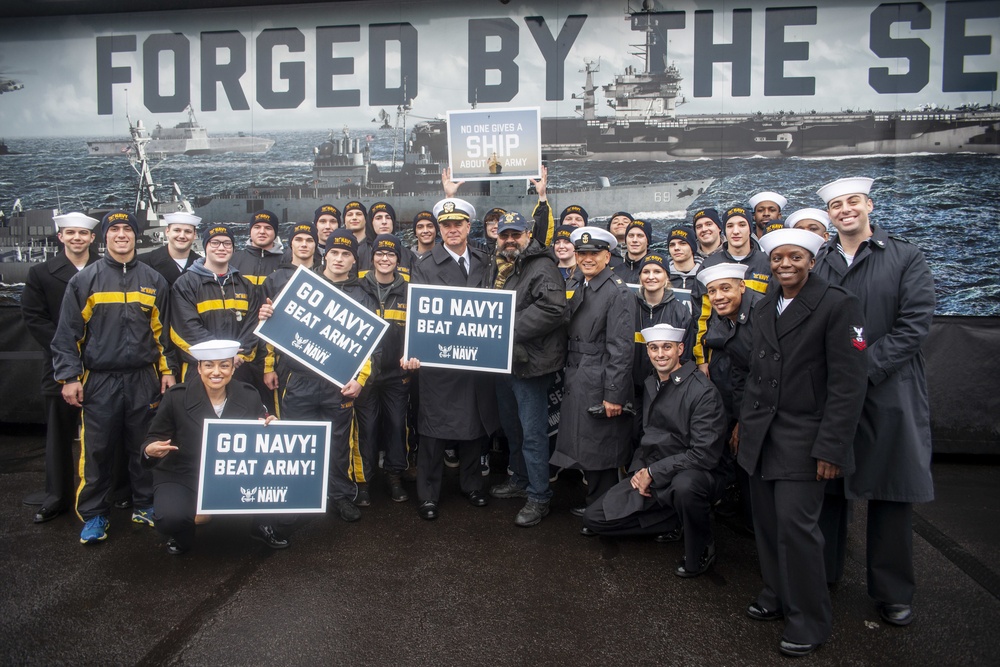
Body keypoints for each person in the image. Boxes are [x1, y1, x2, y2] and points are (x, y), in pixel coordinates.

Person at [812, 176, 935, 628]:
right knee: (827, 489)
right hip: (831, 394)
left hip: (890, 392)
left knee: (890, 493)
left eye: (852, 202)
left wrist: (862, 369)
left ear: (868, 205)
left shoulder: (905, 256)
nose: (845, 210)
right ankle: (821, 577)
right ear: (829, 215)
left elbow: (915, 323)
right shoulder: (820, 262)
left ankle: (892, 591)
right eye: (836, 205)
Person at [738, 228, 868, 658]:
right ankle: (777, 594)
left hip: (804, 437)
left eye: (795, 257)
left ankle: (809, 619)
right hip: (761, 434)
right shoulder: (763, 305)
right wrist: (743, 424)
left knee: (797, 530)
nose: (785, 265)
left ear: (812, 261)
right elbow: (756, 375)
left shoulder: (837, 304)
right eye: (777, 259)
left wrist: (831, 448)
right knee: (769, 525)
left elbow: (848, 386)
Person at [51, 210, 175, 544]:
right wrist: (69, 377)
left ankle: (145, 504)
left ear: (137, 236)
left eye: (127, 229)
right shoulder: (84, 281)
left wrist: (167, 372)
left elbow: (163, 336)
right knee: (98, 450)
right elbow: (67, 335)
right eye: (114, 229)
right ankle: (94, 516)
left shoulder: (154, 280)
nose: (122, 234)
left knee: (144, 445)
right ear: (103, 237)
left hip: (143, 379)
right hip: (100, 381)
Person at [582, 323, 728, 578]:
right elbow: (648, 435)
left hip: (694, 473)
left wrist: (652, 471)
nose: (660, 354)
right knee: (594, 519)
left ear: (680, 349)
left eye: (667, 348)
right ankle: (675, 519)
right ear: (648, 352)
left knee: (686, 487)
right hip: (656, 471)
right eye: (654, 348)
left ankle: (701, 544)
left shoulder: (702, 392)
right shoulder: (652, 382)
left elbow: (704, 455)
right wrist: (639, 472)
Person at [258, 229, 373, 522]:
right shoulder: (300, 285)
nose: (339, 258)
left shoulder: (364, 294)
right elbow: (275, 332)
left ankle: (341, 496)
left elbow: (372, 347)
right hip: (298, 381)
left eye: (346, 254)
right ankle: (297, 495)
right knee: (297, 441)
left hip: (339, 384)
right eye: (334, 252)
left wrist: (360, 380)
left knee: (339, 445)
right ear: (326, 254)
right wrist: (269, 362)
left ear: (354, 261)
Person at [141, 339, 288, 554]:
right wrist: (149, 450)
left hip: (232, 472)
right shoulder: (176, 397)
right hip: (185, 473)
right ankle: (182, 533)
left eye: (224, 365)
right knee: (169, 518)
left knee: (271, 475)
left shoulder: (248, 395)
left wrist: (269, 427)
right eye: (209, 365)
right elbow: (153, 437)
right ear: (199, 368)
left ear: (232, 368)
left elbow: (260, 436)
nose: (216, 372)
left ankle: (262, 524)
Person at [404, 197, 499, 520]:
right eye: (446, 225)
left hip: (476, 359)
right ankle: (428, 494)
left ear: (468, 227)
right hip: (440, 360)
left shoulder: (485, 260)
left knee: (475, 424)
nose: (452, 230)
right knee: (432, 430)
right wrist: (415, 351)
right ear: (439, 229)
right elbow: (420, 314)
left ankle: (472, 485)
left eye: (458, 224)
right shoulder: (425, 264)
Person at [487, 212, 568, 527]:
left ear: (528, 235)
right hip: (502, 362)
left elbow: (553, 309)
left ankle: (539, 496)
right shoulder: (500, 266)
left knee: (533, 433)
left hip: (530, 365)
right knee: (513, 428)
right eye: (504, 235)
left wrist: (503, 327)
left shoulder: (542, 266)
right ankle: (519, 479)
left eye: (515, 235)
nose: (509, 240)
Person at [551, 226, 636, 518]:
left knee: (601, 447)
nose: (587, 258)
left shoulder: (617, 292)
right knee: (587, 444)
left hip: (598, 375)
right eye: (582, 253)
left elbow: (622, 348)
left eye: (593, 253)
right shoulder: (581, 284)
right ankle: (597, 505)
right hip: (579, 372)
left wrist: (614, 395)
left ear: (607, 255)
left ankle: (603, 512)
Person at [21, 212, 100, 524]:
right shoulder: (41, 273)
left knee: (105, 434)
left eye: (82, 233)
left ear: (93, 238)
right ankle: (56, 497)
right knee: (59, 435)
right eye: (71, 233)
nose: (77, 238)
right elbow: (34, 318)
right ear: (61, 237)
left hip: (101, 365)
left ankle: (111, 493)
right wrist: (67, 352)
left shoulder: (105, 270)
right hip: (59, 367)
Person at [699, 263, 760, 533]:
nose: (718, 296)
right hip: (735, 397)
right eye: (712, 291)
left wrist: (744, 422)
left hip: (760, 406)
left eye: (725, 289)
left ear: (743, 287)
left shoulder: (761, 315)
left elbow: (759, 375)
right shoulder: (724, 316)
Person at [356, 233, 413, 504]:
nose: (385, 258)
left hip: (395, 374)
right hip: (365, 374)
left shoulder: (410, 290)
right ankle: (364, 482)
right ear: (372, 258)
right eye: (380, 254)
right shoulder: (358, 288)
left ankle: (394, 477)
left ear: (398, 260)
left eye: (391, 255)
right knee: (366, 429)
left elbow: (419, 333)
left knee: (395, 425)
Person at [170, 223, 260, 381]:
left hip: (239, 368)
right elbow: (186, 328)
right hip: (200, 370)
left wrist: (236, 356)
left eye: (227, 243)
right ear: (205, 246)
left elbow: (253, 325)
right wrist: (223, 356)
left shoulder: (245, 285)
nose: (221, 248)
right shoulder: (186, 284)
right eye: (215, 243)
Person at [691, 206, 771, 373]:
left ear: (750, 227)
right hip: (720, 355)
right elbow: (701, 317)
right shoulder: (709, 264)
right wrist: (702, 360)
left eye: (742, 225)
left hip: (761, 352)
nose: (736, 231)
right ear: (723, 230)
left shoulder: (767, 263)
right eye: (730, 225)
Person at [261, 222, 323, 415]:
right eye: (298, 239)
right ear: (291, 244)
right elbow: (265, 328)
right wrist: (268, 367)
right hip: (287, 366)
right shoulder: (274, 279)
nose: (304, 244)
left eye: (309, 240)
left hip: (321, 362)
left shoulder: (326, 277)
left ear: (316, 245)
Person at [138, 211, 202, 286]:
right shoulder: (142, 263)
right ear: (167, 232)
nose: (182, 236)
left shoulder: (203, 266)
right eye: (177, 230)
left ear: (194, 235)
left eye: (187, 231)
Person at [230, 209, 284, 288]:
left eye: (268, 228)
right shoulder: (233, 260)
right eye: (257, 227)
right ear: (250, 231)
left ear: (275, 232)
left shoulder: (285, 262)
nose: (262, 231)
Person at [666, 225, 703, 293]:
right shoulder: (663, 276)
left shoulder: (705, 275)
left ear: (692, 247)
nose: (676, 248)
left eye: (682, 243)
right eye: (672, 245)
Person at [613, 219, 651, 283]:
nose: (634, 240)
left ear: (648, 241)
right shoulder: (615, 272)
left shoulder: (656, 270)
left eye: (640, 236)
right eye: (631, 236)